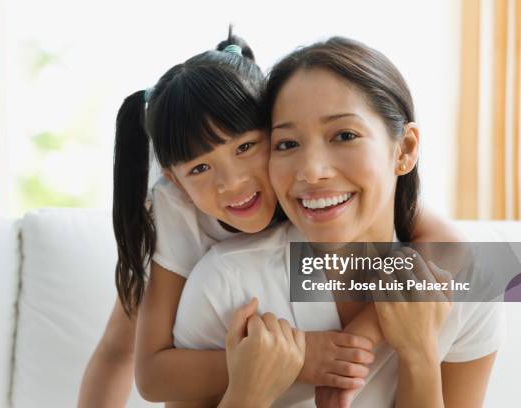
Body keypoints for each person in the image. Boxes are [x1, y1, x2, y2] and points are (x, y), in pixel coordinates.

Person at [78, 30, 465, 407]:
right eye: (200, 169)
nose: (233, 182)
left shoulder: (311, 178)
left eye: (247, 147)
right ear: (175, 180)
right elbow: (152, 375)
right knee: (120, 339)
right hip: (192, 272)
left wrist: (360, 339)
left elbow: (455, 250)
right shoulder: (178, 212)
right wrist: (302, 358)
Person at [173, 36, 504, 407]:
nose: (312, 172)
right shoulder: (225, 284)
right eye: (287, 144)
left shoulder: (470, 287)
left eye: (344, 135)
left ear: (405, 149)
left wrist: (420, 357)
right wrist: (246, 394)